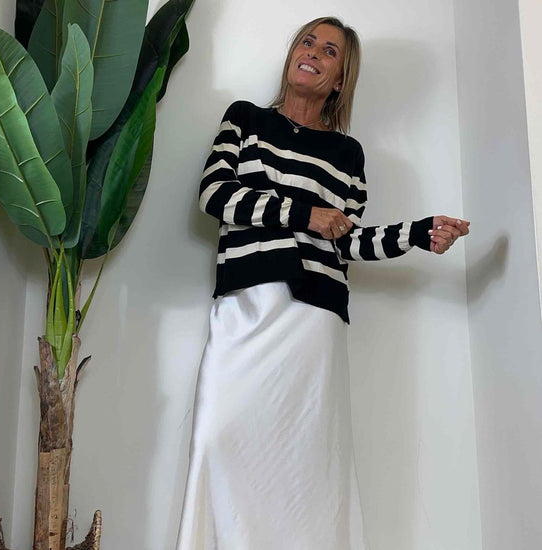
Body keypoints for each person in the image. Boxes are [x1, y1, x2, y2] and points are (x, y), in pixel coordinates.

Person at [175, 16, 470, 550]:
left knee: (306, 463)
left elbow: (348, 241)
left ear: (340, 79)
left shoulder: (347, 155)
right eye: (307, 42)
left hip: (313, 319)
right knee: (217, 437)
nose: (312, 53)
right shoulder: (244, 119)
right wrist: (304, 214)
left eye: (329, 51)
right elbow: (215, 195)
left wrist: (419, 233)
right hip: (245, 305)